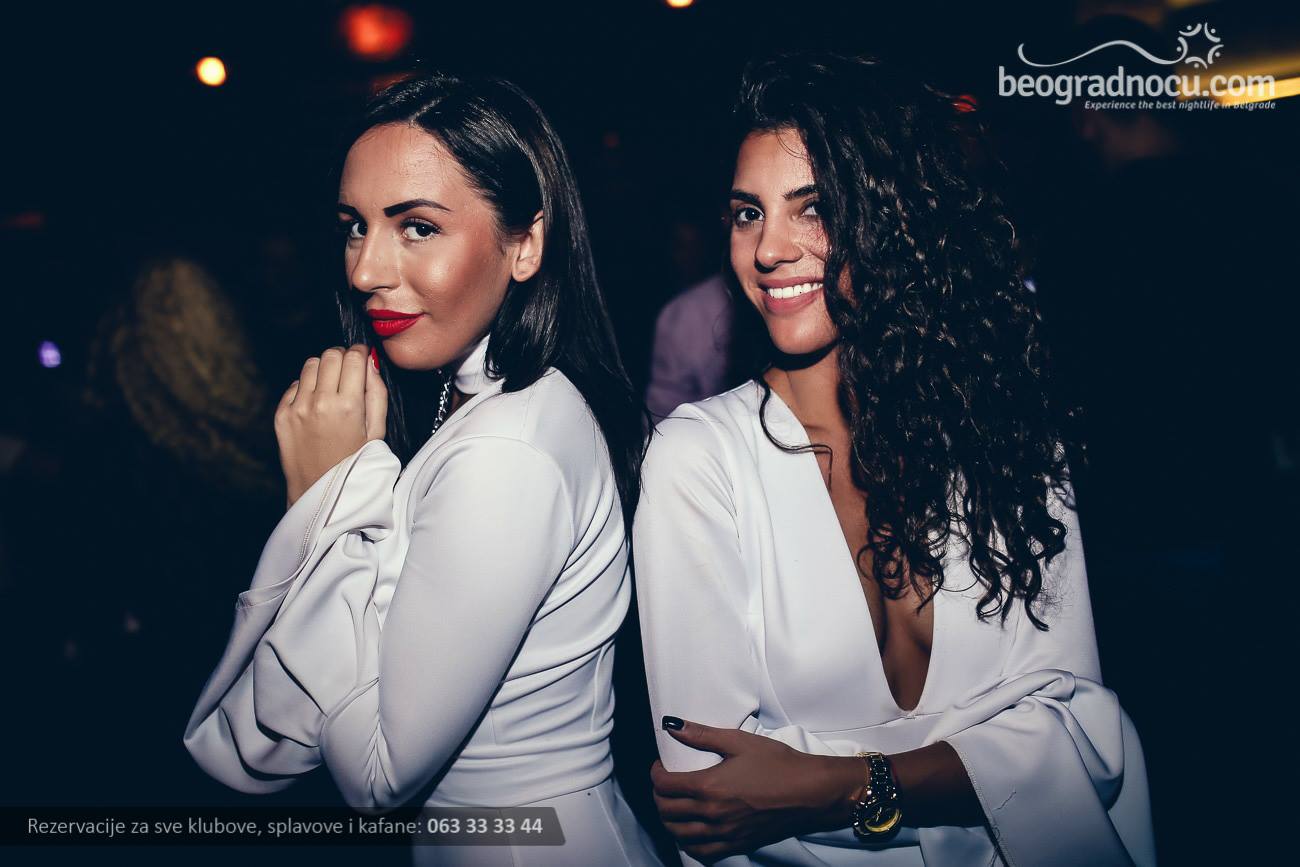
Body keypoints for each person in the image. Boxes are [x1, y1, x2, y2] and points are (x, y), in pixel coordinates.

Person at [633, 52, 1154, 866]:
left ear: (894, 217)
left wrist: (835, 780)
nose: (768, 249)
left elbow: (1083, 728)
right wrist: (984, 761)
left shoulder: (1004, 436)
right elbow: (715, 798)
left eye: (813, 208)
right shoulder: (700, 460)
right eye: (746, 213)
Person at [183, 72, 662, 867]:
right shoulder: (480, 396)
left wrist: (327, 498)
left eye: (416, 227)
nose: (365, 269)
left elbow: (376, 777)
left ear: (525, 243)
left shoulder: (506, 448)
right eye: (354, 226)